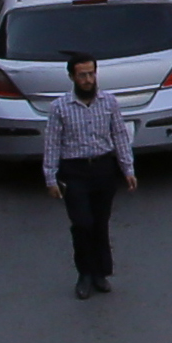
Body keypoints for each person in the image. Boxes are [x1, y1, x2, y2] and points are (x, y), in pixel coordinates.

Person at [41, 51, 138, 299]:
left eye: (91, 74)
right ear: (72, 76)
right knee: (82, 223)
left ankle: (100, 273)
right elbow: (52, 143)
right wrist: (50, 178)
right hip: (75, 171)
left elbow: (119, 136)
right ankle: (84, 272)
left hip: (103, 168)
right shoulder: (60, 107)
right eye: (82, 75)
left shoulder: (109, 103)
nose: (88, 79)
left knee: (100, 223)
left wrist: (128, 169)